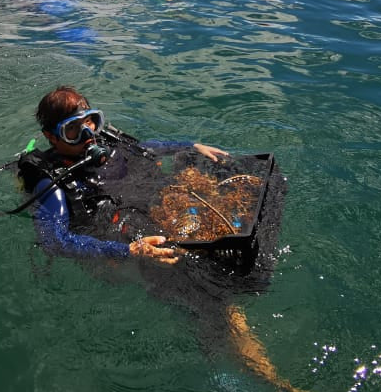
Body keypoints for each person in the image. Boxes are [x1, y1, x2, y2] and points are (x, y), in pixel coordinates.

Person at [16, 86, 229, 262]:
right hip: (114, 239)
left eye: (89, 121)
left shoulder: (105, 142)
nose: (87, 133)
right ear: (51, 137)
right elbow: (55, 241)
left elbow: (145, 148)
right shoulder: (51, 182)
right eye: (72, 128)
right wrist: (127, 251)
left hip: (143, 207)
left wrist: (190, 146)